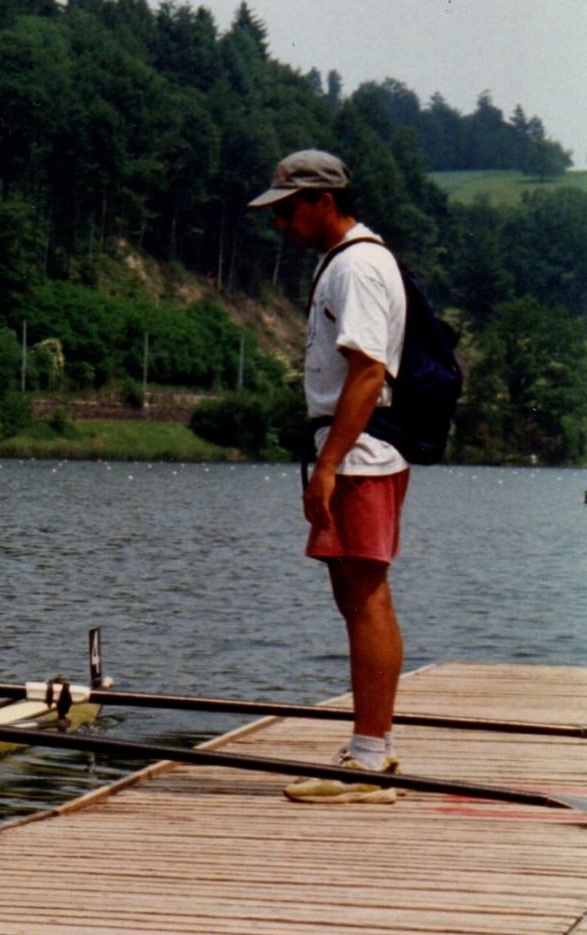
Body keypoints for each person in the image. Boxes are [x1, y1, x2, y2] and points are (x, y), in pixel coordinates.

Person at [249, 150, 408, 804]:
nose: (281, 222)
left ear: (324, 200)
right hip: (349, 447)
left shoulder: (360, 266)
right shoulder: (341, 263)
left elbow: (368, 372)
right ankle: (370, 748)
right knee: (355, 592)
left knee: (365, 591)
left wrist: (328, 463)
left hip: (359, 451)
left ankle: (372, 757)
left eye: (288, 210)